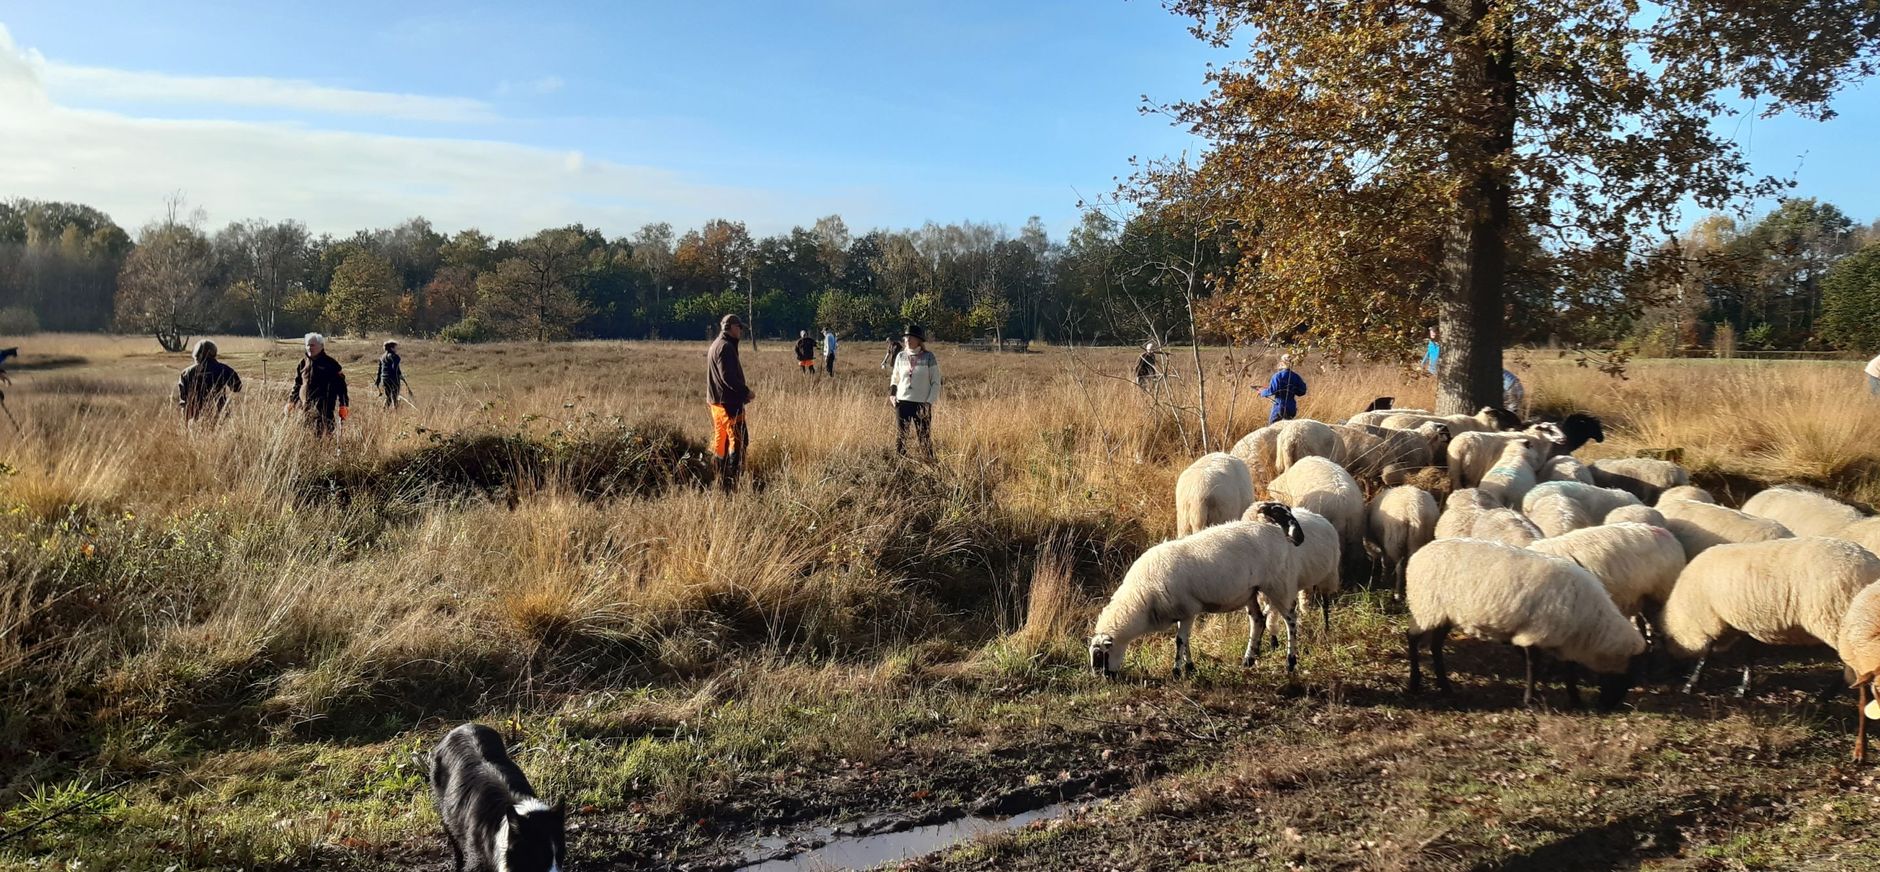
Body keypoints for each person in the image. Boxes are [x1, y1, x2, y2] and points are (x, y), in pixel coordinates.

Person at [706, 314, 755, 490]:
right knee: (739, 440)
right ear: (732, 327)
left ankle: (718, 476)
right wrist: (746, 392)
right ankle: (733, 480)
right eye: (739, 327)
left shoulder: (716, 345)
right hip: (729, 404)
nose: (741, 330)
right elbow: (728, 378)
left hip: (717, 404)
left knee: (721, 441)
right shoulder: (725, 347)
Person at [888, 324, 940, 459]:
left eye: (910, 337)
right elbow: (895, 377)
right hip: (902, 402)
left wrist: (928, 403)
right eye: (905, 337)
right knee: (901, 439)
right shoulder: (900, 356)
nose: (907, 340)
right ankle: (900, 469)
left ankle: (930, 467)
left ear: (918, 340)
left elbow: (936, 382)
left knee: (924, 439)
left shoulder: (929, 357)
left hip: (922, 404)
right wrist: (892, 395)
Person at [286, 332, 348, 436]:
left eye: (312, 345)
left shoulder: (331, 364)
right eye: (307, 345)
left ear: (321, 346)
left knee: (324, 438)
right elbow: (297, 384)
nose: (309, 348)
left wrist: (343, 405)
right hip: (304, 410)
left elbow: (341, 387)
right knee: (304, 438)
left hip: (324, 412)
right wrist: (291, 401)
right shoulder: (303, 363)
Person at [177, 338, 242, 423]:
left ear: (197, 354)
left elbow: (184, 401)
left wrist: (185, 424)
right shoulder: (224, 369)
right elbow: (237, 387)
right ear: (214, 353)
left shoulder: (186, 373)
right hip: (220, 414)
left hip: (194, 417)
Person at [1258, 353, 1308, 423]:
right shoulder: (1296, 377)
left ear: (1282, 362)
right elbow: (1302, 391)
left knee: (1272, 429)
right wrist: (1292, 389)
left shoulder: (1277, 376)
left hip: (1279, 407)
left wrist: (1262, 392)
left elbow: (1272, 391)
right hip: (1291, 408)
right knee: (1287, 430)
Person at [375, 340, 404, 407]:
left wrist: (378, 380)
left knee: (388, 397)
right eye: (396, 347)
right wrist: (397, 374)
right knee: (395, 397)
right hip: (393, 379)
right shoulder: (392, 355)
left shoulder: (382, 356)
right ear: (392, 348)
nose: (397, 349)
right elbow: (396, 362)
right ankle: (396, 412)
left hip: (384, 379)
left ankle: (384, 410)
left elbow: (379, 370)